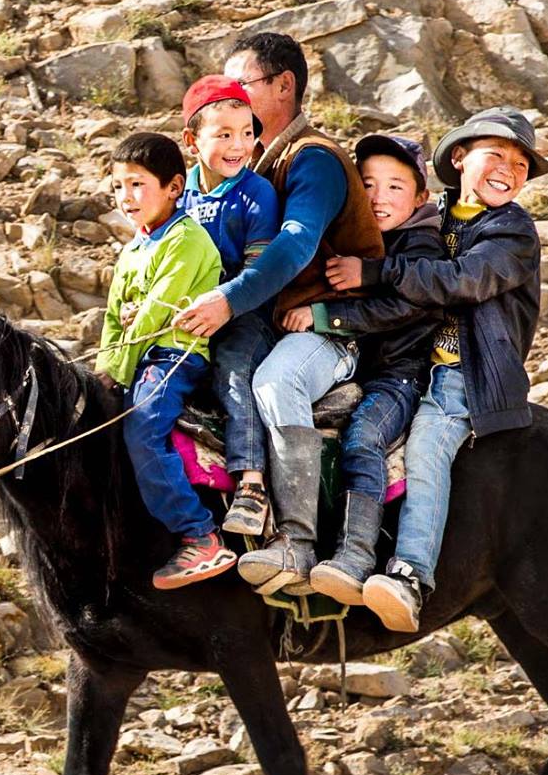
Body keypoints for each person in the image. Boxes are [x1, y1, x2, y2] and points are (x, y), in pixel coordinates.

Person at [323, 106, 548, 632]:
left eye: (521, 164)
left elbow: (462, 280)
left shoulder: (513, 231)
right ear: (459, 158)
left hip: (464, 373)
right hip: (409, 367)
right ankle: (335, 553)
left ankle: (409, 574)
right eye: (498, 155)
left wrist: (375, 271)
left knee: (427, 446)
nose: (510, 170)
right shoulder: (434, 215)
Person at [177, 32, 383, 589]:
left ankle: (297, 541)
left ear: (283, 86)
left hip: (327, 328)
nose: (231, 100)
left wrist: (227, 301)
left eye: (240, 88)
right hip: (273, 322)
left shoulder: (313, 159)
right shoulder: (249, 169)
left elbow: (294, 248)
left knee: (273, 382)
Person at [301, 135, 447, 603]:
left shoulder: (421, 246)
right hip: (352, 372)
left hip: (396, 375)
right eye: (367, 185)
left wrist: (325, 317)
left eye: (395, 187)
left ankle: (356, 553)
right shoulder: (355, 239)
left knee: (364, 437)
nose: (379, 198)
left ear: (421, 197)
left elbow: (405, 308)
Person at [97, 131, 235, 590]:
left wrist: (117, 370)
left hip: (176, 354)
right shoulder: (132, 249)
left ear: (175, 187)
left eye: (137, 184)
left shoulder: (187, 240)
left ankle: (200, 533)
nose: (126, 196)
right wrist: (105, 370)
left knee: (143, 425)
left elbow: (157, 314)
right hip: (136, 355)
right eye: (118, 186)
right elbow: (115, 319)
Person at [175, 76, 283, 536]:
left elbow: (259, 270)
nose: (239, 145)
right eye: (223, 135)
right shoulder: (181, 195)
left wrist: (223, 302)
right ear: (191, 140)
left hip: (249, 312)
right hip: (191, 310)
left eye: (247, 133)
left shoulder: (256, 194)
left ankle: (252, 483)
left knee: (235, 366)